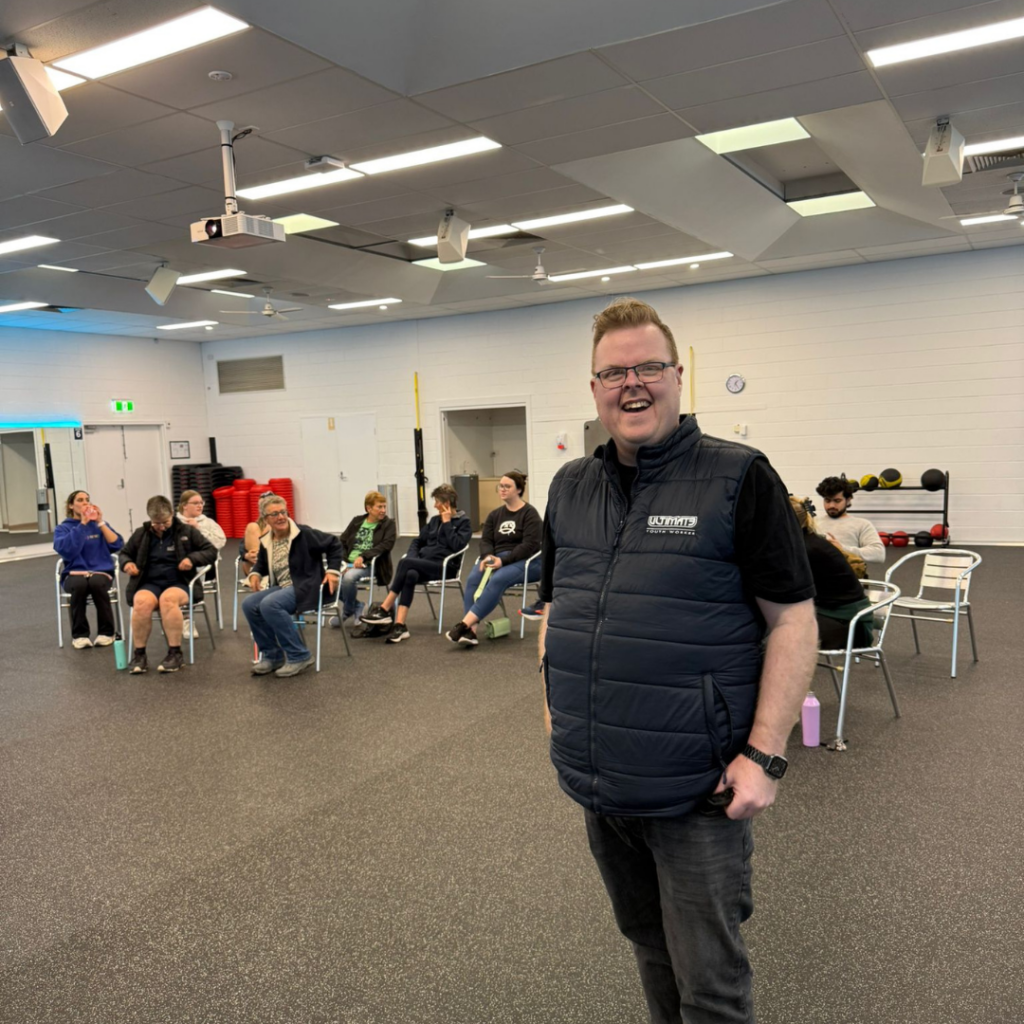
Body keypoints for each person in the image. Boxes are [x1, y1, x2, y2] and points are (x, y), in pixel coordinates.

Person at [538, 297, 818, 1024]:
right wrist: (553, 707)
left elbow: (793, 620)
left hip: (699, 790)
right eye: (614, 372)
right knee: (649, 947)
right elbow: (557, 605)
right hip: (601, 782)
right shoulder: (570, 486)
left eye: (649, 367)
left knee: (710, 983)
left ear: (678, 375)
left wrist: (766, 755)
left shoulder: (739, 476)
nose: (632, 384)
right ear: (595, 388)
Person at [243, 493, 343, 677]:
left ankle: (299, 655)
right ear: (266, 519)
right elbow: (262, 563)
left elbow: (334, 544)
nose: (281, 517)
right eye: (274, 514)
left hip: (307, 586)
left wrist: (332, 571)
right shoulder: (266, 540)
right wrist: (255, 573)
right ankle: (272, 656)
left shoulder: (304, 534)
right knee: (249, 604)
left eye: (283, 512)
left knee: (270, 604)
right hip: (284, 587)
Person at [361, 483, 471, 644]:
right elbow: (417, 542)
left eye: (437, 502)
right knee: (410, 573)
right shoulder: (434, 521)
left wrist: (447, 523)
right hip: (423, 564)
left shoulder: (464, 522)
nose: (435, 505)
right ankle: (400, 626)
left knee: (406, 563)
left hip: (445, 567)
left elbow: (457, 546)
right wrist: (413, 559)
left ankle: (384, 609)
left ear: (447, 503)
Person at [120, 495, 217, 674]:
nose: (161, 527)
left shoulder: (187, 531)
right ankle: (139, 655)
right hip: (150, 583)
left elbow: (211, 551)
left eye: (165, 522)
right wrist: (127, 563)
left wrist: (192, 559)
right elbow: (124, 553)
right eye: (156, 523)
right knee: (140, 602)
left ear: (172, 513)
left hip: (180, 582)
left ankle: (175, 653)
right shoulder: (141, 533)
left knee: (168, 600)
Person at [445, 471, 541, 646]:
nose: (502, 489)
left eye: (507, 486)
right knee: (474, 578)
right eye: (500, 486)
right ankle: (471, 632)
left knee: (498, 579)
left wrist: (503, 561)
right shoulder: (495, 515)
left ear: (519, 490)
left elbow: (529, 546)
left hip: (527, 561)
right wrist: (488, 556)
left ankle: (463, 625)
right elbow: (486, 541)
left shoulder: (530, 514)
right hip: (498, 558)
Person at [791, 496, 873, 650]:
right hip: (829, 614)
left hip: (850, 625)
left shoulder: (807, 548)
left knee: (774, 634)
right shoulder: (804, 542)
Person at [54, 490, 124, 649]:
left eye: (87, 499)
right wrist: (82, 525)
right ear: (71, 506)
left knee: (97, 583)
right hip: (74, 572)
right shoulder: (63, 528)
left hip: (100, 571)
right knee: (79, 585)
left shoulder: (98, 525)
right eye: (80, 500)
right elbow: (67, 550)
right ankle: (80, 635)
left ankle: (106, 633)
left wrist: (100, 522)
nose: (85, 502)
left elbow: (117, 544)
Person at [329, 490, 396, 629]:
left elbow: (386, 545)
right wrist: (343, 562)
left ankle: (347, 611)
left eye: (384, 506)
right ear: (369, 508)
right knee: (325, 578)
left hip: (371, 564)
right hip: (348, 563)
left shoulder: (389, 524)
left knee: (348, 578)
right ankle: (357, 606)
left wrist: (363, 557)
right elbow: (342, 542)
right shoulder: (357, 521)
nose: (383, 510)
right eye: (379, 507)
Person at [176, 490, 227, 639]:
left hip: (203, 565)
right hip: (178, 564)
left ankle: (187, 619)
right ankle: (173, 616)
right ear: (184, 505)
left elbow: (220, 542)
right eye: (195, 503)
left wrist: (199, 529)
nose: (200, 506)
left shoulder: (208, 522)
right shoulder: (174, 523)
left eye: (201, 503)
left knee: (190, 573)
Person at [814, 475, 884, 565]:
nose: (831, 505)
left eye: (837, 501)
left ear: (848, 500)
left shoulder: (862, 524)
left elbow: (879, 554)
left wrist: (843, 549)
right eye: (827, 500)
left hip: (846, 572)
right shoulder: (814, 523)